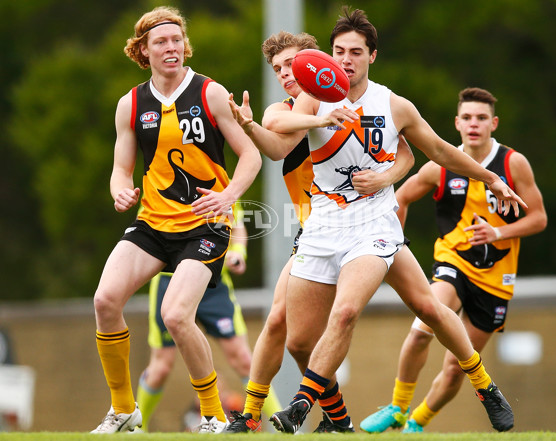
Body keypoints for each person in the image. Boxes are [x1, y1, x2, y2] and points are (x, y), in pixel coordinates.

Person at [261, 7, 525, 434]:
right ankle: (342, 421)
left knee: (345, 313)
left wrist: (491, 177)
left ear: (372, 56)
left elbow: (439, 151)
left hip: (374, 224)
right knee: (302, 340)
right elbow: (274, 121)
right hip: (323, 226)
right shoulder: (314, 95)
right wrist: (319, 117)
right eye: (338, 51)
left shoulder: (393, 104)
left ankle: (299, 407)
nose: (345, 60)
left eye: (355, 52)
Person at [225, 31, 415, 433]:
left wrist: (386, 178)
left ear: (316, 62)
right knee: (284, 326)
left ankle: (469, 388)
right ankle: (275, 416)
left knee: (428, 310)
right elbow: (275, 141)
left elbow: (406, 150)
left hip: (364, 229)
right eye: (278, 70)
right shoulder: (292, 114)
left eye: (292, 65)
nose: (286, 74)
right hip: (319, 232)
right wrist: (250, 126)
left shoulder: (345, 106)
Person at [91, 6, 261, 434]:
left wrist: (228, 195)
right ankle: (124, 410)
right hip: (153, 223)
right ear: (142, 50)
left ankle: (213, 415)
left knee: (176, 315)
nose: (171, 48)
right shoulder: (131, 104)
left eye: (176, 40)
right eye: (160, 42)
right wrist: (120, 191)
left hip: (206, 226)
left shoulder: (209, 93)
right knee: (105, 301)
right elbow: (120, 169)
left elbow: (251, 155)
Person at [360, 87, 547, 433]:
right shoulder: (440, 167)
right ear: (457, 123)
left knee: (455, 366)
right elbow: (400, 199)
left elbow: (538, 218)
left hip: (496, 278)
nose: (473, 124)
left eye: (481, 118)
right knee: (423, 328)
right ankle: (399, 406)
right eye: (467, 118)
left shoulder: (512, 163)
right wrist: (393, 248)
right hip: (452, 261)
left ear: (493, 123)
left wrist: (498, 233)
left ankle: (416, 423)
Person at [135, 204, 281, 432]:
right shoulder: (161, 176)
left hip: (213, 283)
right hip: (169, 280)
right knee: (160, 368)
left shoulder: (224, 182)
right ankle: (136, 427)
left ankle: (281, 429)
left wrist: (238, 253)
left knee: (243, 358)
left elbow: (237, 226)